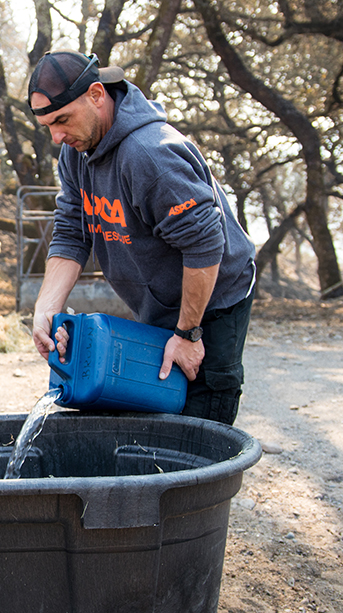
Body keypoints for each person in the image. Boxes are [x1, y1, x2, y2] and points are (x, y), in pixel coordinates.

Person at [27, 50, 257, 425]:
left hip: (212, 300)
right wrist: (46, 309)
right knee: (148, 409)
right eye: (48, 126)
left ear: (97, 95)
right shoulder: (76, 152)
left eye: (63, 120)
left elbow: (205, 244)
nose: (56, 137)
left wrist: (188, 333)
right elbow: (72, 230)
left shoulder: (149, 155)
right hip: (158, 300)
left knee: (197, 420)